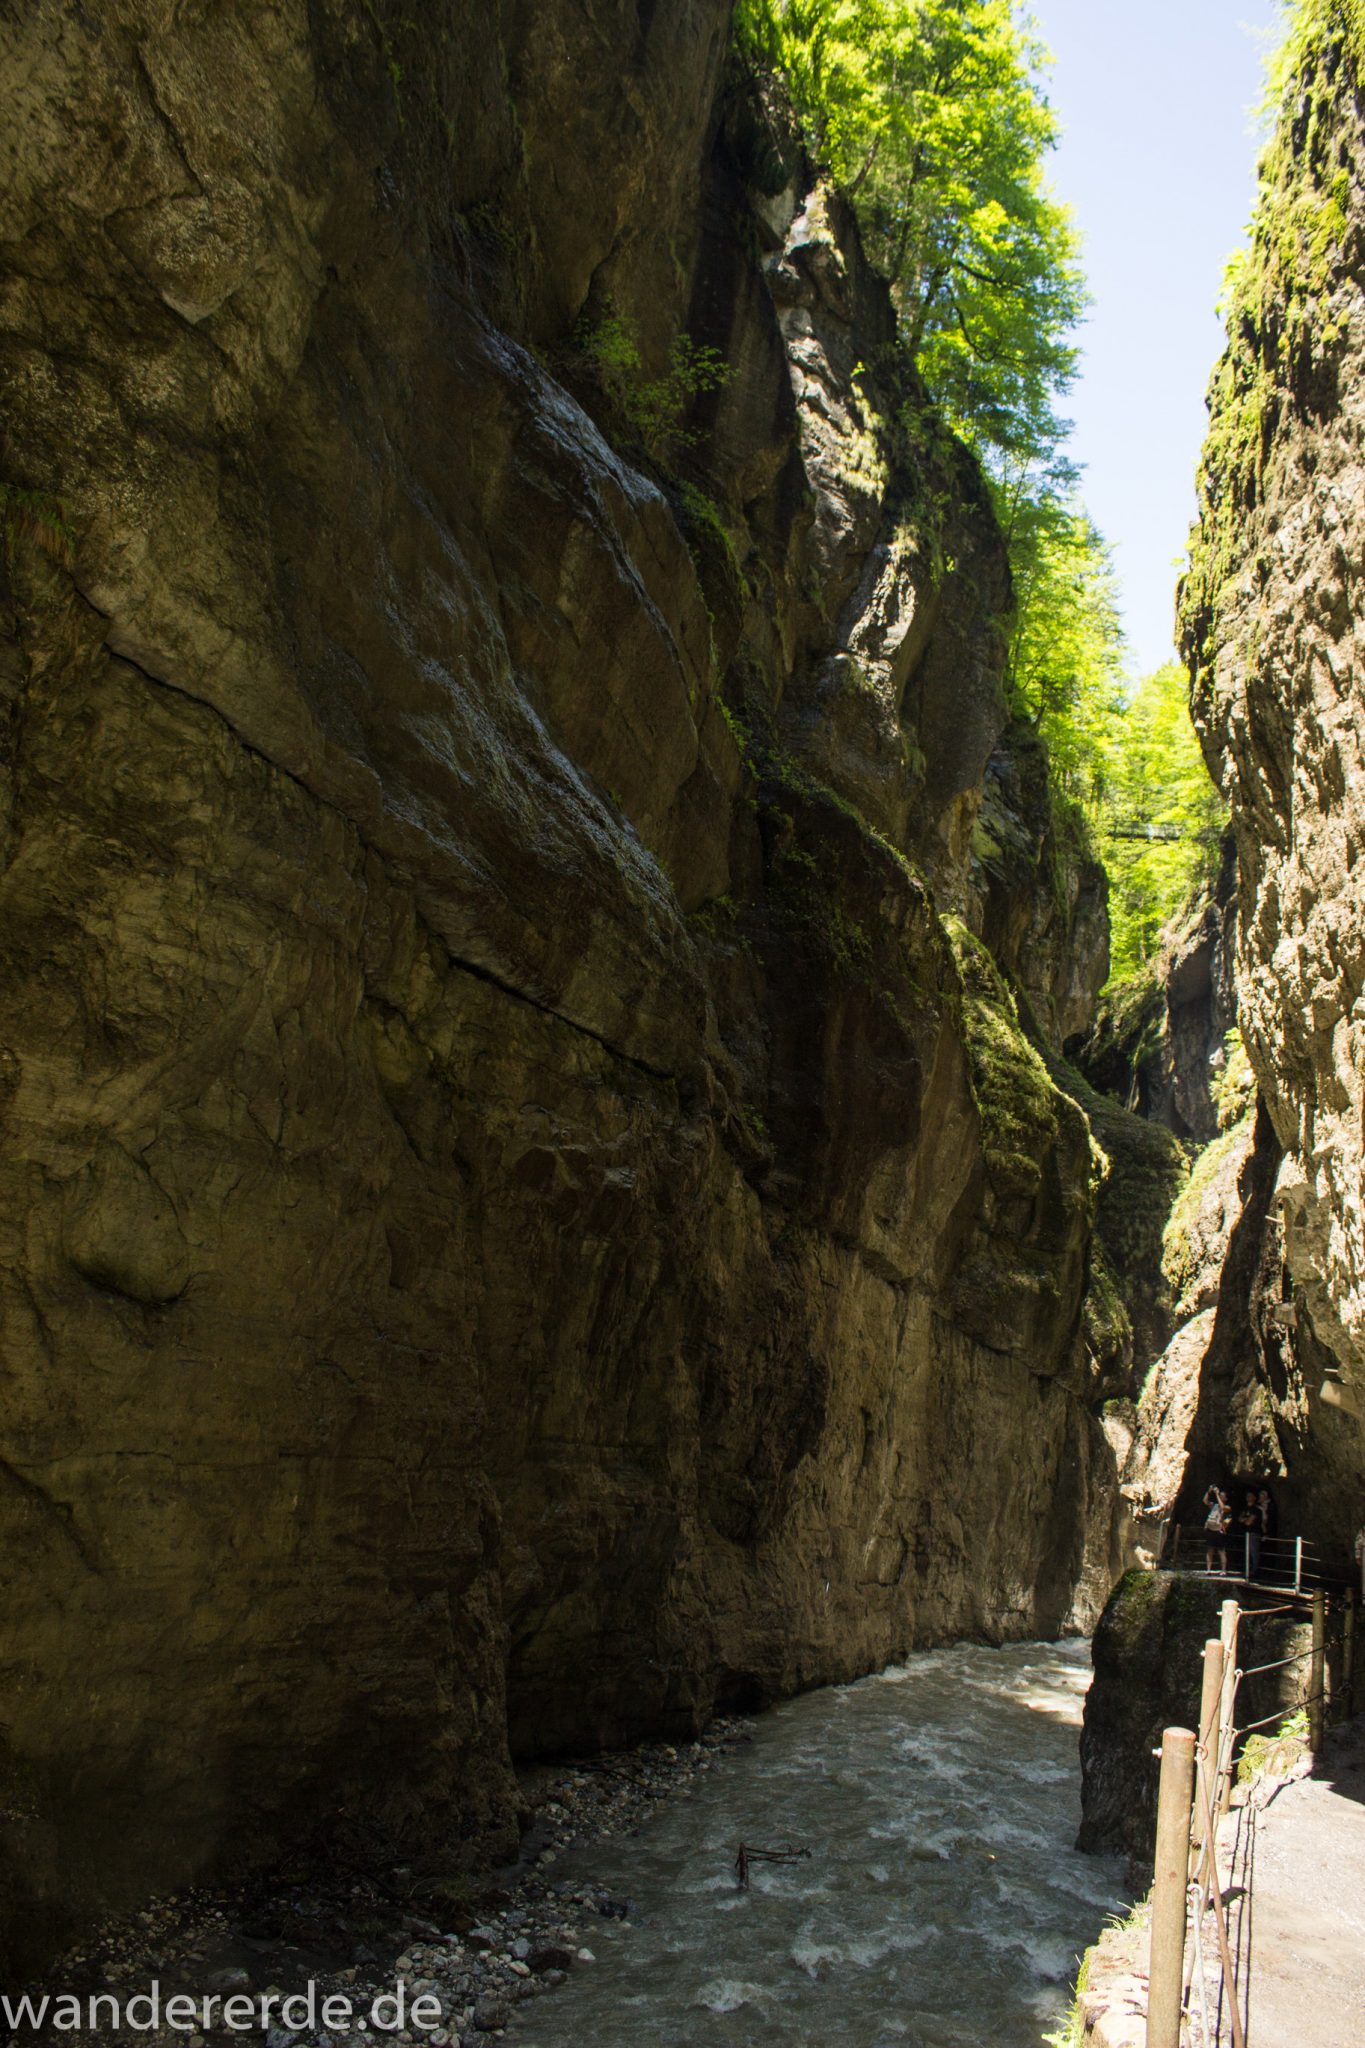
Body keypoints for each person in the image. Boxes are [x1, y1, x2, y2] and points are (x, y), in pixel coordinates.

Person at [1203, 1485, 1231, 1574]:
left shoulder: (1227, 1507)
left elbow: (1223, 1508)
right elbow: (1205, 1501)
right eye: (1220, 1495)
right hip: (1210, 1529)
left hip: (1219, 1530)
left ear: (1226, 1498)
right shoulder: (1214, 1505)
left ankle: (1223, 1570)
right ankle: (1208, 1569)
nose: (1221, 1496)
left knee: (1221, 1551)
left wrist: (1217, 1495)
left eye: (1223, 1496)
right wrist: (1209, 1491)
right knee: (1209, 1550)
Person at [1238, 1490, 1261, 1580]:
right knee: (1246, 1552)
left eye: (1250, 1495)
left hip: (1254, 1533)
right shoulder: (1245, 1509)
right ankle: (1247, 1570)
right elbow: (1239, 1518)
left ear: (1254, 1498)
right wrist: (1245, 1520)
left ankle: (1254, 1571)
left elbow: (1248, 1522)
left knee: (1254, 1552)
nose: (1248, 1497)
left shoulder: (1256, 1510)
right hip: (1246, 1533)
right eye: (1247, 1495)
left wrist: (1245, 1520)